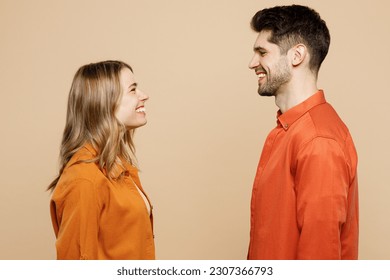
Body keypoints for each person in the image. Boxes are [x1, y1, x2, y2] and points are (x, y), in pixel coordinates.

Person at [247, 5, 359, 259]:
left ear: (297, 55)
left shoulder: (318, 140)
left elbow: (320, 255)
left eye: (262, 52)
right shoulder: (289, 130)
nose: (252, 63)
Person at [48, 60, 155, 260]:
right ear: (105, 102)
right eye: (133, 90)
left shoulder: (119, 168)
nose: (144, 95)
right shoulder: (84, 180)